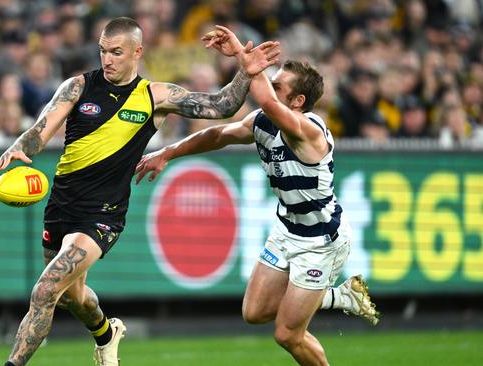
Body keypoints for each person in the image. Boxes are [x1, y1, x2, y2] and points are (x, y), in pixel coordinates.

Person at [0, 17, 281, 366]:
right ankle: (106, 333)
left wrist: (244, 71)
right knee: (72, 296)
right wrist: (20, 147)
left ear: (137, 52)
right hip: (62, 206)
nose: (107, 59)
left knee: (46, 289)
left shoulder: (155, 96)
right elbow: (40, 129)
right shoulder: (77, 87)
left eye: (116, 52)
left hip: (103, 214)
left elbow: (220, 106)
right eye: (102, 51)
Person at [135, 25, 380, 366]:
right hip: (286, 230)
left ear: (298, 102)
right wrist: (167, 153)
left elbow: (263, 95)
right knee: (254, 312)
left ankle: (329, 302)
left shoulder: (308, 130)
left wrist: (242, 56)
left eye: (278, 84)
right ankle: (340, 296)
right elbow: (218, 135)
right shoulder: (263, 121)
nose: (268, 85)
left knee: (287, 334)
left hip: (321, 239)